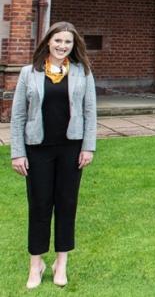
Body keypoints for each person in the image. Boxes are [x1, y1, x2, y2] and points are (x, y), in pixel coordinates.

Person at [10, 21, 97, 289]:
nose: (62, 46)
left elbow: (91, 111)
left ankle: (62, 263)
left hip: (71, 149)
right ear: (48, 41)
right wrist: (17, 153)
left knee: (66, 205)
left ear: (74, 46)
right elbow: (18, 116)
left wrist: (88, 147)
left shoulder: (83, 72)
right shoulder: (29, 72)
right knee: (39, 205)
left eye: (68, 42)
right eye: (58, 41)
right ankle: (35, 265)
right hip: (37, 150)